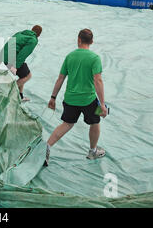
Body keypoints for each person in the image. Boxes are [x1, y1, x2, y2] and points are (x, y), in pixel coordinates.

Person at [44, 29, 108, 167]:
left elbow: (60, 78)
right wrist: (102, 104)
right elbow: (98, 81)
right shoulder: (94, 58)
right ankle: (92, 151)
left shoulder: (70, 56)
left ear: (78, 40)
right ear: (91, 42)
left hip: (70, 99)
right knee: (95, 122)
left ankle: (47, 147)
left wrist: (53, 97)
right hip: (89, 100)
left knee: (66, 124)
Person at [0, 25, 42, 102]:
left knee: (23, 75)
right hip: (12, 58)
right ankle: (8, 92)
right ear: (39, 35)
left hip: (4, 55)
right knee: (27, 76)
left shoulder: (20, 33)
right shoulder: (33, 40)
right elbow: (23, 54)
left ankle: (20, 96)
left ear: (31, 30)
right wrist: (15, 66)